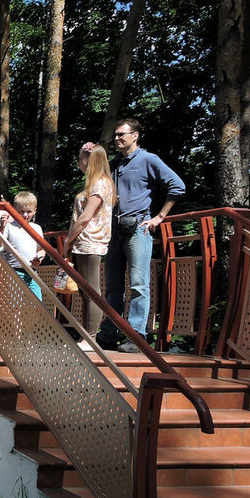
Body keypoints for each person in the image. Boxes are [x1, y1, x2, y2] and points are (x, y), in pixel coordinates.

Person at [95, 118, 186, 352]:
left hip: (137, 228)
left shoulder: (148, 159)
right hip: (114, 230)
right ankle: (109, 334)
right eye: (115, 135)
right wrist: (87, 152)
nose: (117, 138)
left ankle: (136, 336)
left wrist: (159, 217)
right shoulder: (114, 163)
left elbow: (177, 186)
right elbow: (90, 175)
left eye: (121, 134)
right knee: (113, 285)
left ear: (135, 135)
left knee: (139, 284)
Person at [62, 142, 115, 346]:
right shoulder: (95, 183)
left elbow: (85, 217)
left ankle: (91, 338)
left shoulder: (100, 183)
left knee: (92, 291)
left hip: (91, 241)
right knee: (85, 292)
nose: (78, 164)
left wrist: (68, 240)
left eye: (80, 159)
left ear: (89, 160)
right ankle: (86, 335)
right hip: (84, 243)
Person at [0, 191, 44, 300]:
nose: (25, 215)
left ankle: (34, 317)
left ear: (34, 211)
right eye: (21, 211)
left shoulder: (37, 228)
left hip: (32, 272)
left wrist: (40, 258)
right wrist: (2, 227)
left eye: (29, 212)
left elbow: (41, 249)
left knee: (38, 302)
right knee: (15, 304)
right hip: (13, 271)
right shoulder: (9, 227)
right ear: (14, 210)